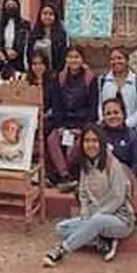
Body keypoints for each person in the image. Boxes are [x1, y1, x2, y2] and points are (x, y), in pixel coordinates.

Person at [43, 124, 135, 266]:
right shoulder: (86, 165)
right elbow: (83, 192)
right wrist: (85, 211)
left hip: (120, 219)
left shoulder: (113, 164)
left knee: (96, 221)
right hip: (94, 216)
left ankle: (62, 250)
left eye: (95, 141)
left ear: (101, 143)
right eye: (87, 141)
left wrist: (98, 214)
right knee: (61, 228)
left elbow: (118, 197)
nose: (91, 145)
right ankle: (103, 241)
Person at [46, 46, 96, 187]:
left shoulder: (90, 79)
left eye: (76, 57)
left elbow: (93, 106)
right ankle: (65, 176)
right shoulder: (59, 78)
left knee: (74, 148)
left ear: (82, 60)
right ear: (66, 60)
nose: (73, 60)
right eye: (70, 57)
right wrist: (60, 126)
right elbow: (57, 105)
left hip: (82, 123)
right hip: (64, 122)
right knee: (52, 139)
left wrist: (82, 128)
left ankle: (60, 175)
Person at [98, 46, 137, 143]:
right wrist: (106, 122)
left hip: (135, 131)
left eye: (119, 58)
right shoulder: (103, 80)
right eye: (112, 59)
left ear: (127, 60)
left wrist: (125, 124)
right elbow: (100, 105)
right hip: (109, 131)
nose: (116, 61)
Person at [100, 97, 137, 185]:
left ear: (123, 114)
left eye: (116, 112)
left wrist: (123, 178)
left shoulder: (133, 136)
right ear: (103, 117)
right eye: (108, 114)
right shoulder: (98, 135)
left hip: (126, 179)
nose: (112, 116)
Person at [0, 0, 30, 76]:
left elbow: (27, 42)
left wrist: (17, 51)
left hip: (19, 63)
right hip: (2, 62)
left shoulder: (25, 25)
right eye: (8, 6)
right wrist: (3, 52)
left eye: (13, 6)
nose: (11, 8)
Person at [27, 1, 69, 73]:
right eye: (45, 14)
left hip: (55, 73)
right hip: (36, 72)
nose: (47, 17)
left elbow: (63, 56)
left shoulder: (62, 35)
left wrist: (57, 72)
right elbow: (29, 54)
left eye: (51, 14)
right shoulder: (33, 34)